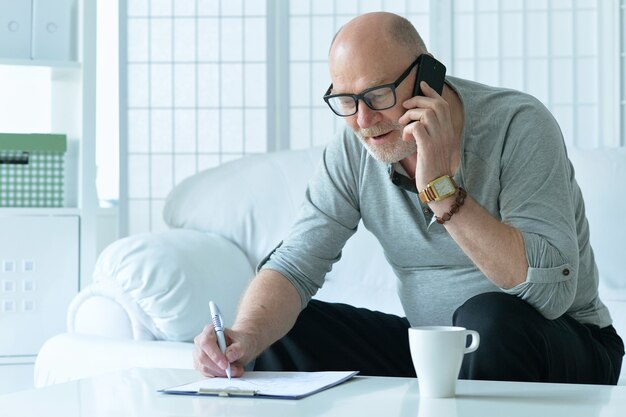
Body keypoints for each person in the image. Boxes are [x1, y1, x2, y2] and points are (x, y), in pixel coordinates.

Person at [193, 11, 624, 384]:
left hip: (560, 340)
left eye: (378, 95)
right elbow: (294, 264)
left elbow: (550, 295)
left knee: (490, 319)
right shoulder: (352, 151)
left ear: (428, 76)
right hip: (437, 353)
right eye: (346, 100)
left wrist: (440, 188)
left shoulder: (519, 125)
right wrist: (244, 335)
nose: (364, 120)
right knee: (280, 328)